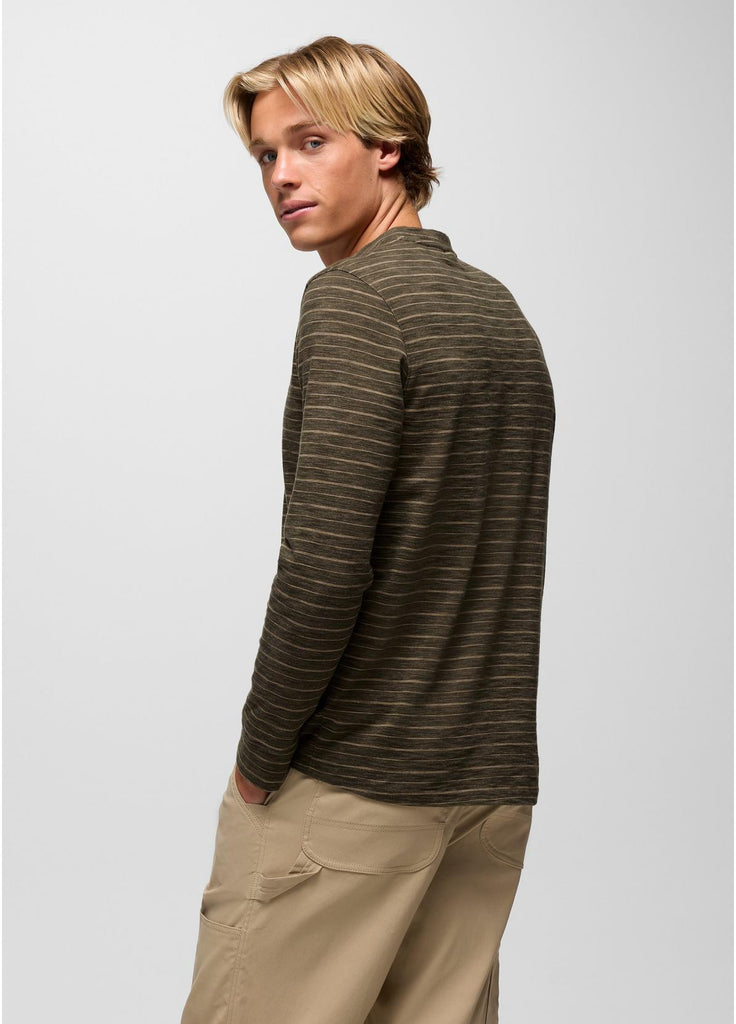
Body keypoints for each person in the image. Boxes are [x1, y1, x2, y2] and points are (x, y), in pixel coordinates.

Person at [180, 34, 555, 1024]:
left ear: (389, 146)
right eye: (266, 154)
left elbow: (324, 567)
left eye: (310, 143)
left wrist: (260, 758)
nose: (281, 176)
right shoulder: (498, 315)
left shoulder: (353, 302)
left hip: (356, 787)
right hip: (486, 793)